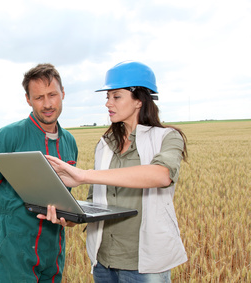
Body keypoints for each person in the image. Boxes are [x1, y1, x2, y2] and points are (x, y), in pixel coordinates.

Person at [43, 61, 188, 283]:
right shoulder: (105, 144)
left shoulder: (167, 137)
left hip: (144, 267)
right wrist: (69, 216)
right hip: (104, 263)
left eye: (116, 96)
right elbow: (96, 202)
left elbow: (161, 175)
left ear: (139, 99)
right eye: (107, 97)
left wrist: (83, 175)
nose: (108, 103)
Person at [0, 63, 78, 283]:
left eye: (52, 95)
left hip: (53, 249)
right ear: (28, 99)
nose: (47, 104)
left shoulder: (70, 142)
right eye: (38, 97)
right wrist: (6, 223)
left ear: (63, 94)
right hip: (13, 250)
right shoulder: (8, 137)